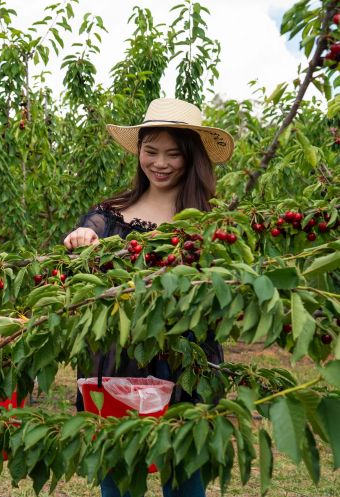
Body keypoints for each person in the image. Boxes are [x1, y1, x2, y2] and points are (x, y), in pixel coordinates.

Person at [63, 97, 234, 497]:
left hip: (186, 360)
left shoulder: (209, 222)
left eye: (173, 154)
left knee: (185, 479)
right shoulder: (108, 216)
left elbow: (222, 298)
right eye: (150, 150)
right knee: (119, 478)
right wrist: (79, 242)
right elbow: (77, 276)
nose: (159, 163)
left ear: (192, 159)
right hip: (117, 358)